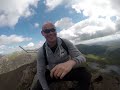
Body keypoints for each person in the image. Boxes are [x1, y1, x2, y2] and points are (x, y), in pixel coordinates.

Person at [34, 21, 91, 90]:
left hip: (67, 72)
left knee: (85, 74)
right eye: (47, 31)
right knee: (38, 86)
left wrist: (71, 62)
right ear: (42, 33)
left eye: (53, 30)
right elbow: (40, 73)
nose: (51, 33)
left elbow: (82, 57)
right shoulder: (41, 51)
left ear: (56, 31)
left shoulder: (65, 43)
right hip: (52, 75)